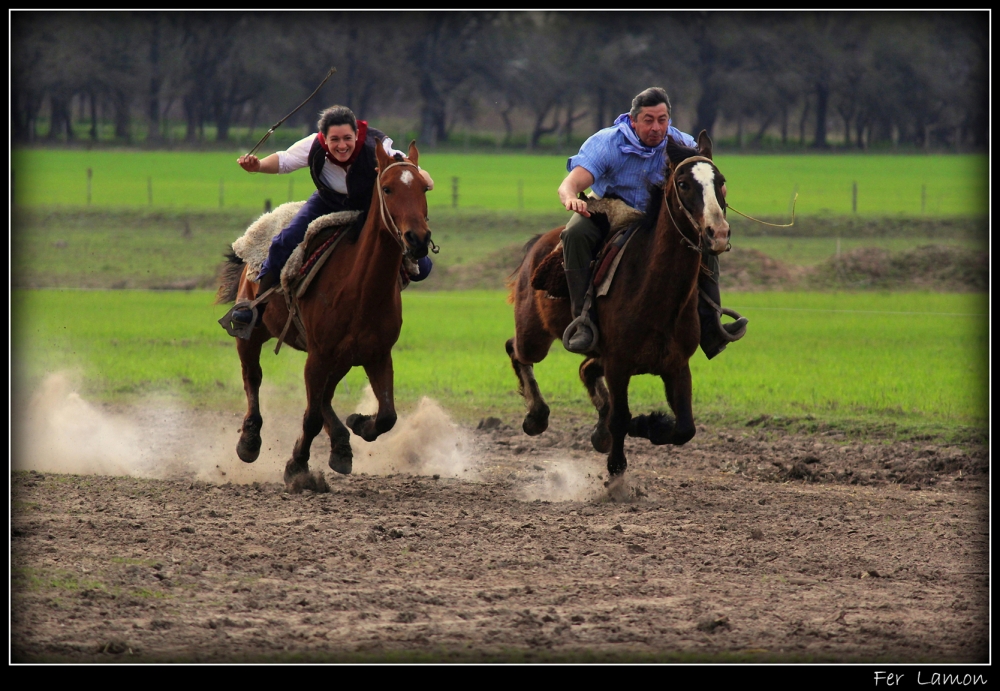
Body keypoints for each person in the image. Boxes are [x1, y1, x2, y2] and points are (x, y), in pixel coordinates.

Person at [556, 86, 747, 357]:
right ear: (633, 121)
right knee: (574, 233)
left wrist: (715, 196)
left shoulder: (682, 144)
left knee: (706, 239)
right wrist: (570, 198)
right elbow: (570, 184)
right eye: (648, 120)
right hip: (611, 208)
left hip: (659, 218)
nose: (657, 127)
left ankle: (711, 322)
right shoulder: (607, 143)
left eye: (662, 119)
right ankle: (582, 322)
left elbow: (705, 182)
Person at [228, 105, 435, 329]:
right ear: (324, 138)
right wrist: (257, 165)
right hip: (327, 201)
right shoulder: (313, 145)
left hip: (368, 206)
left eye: (347, 138)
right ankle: (258, 304)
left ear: (357, 134)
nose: (342, 145)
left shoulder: (378, 145)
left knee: (421, 269)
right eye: (334, 139)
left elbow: (410, 167)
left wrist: (424, 179)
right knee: (283, 241)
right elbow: (285, 160)